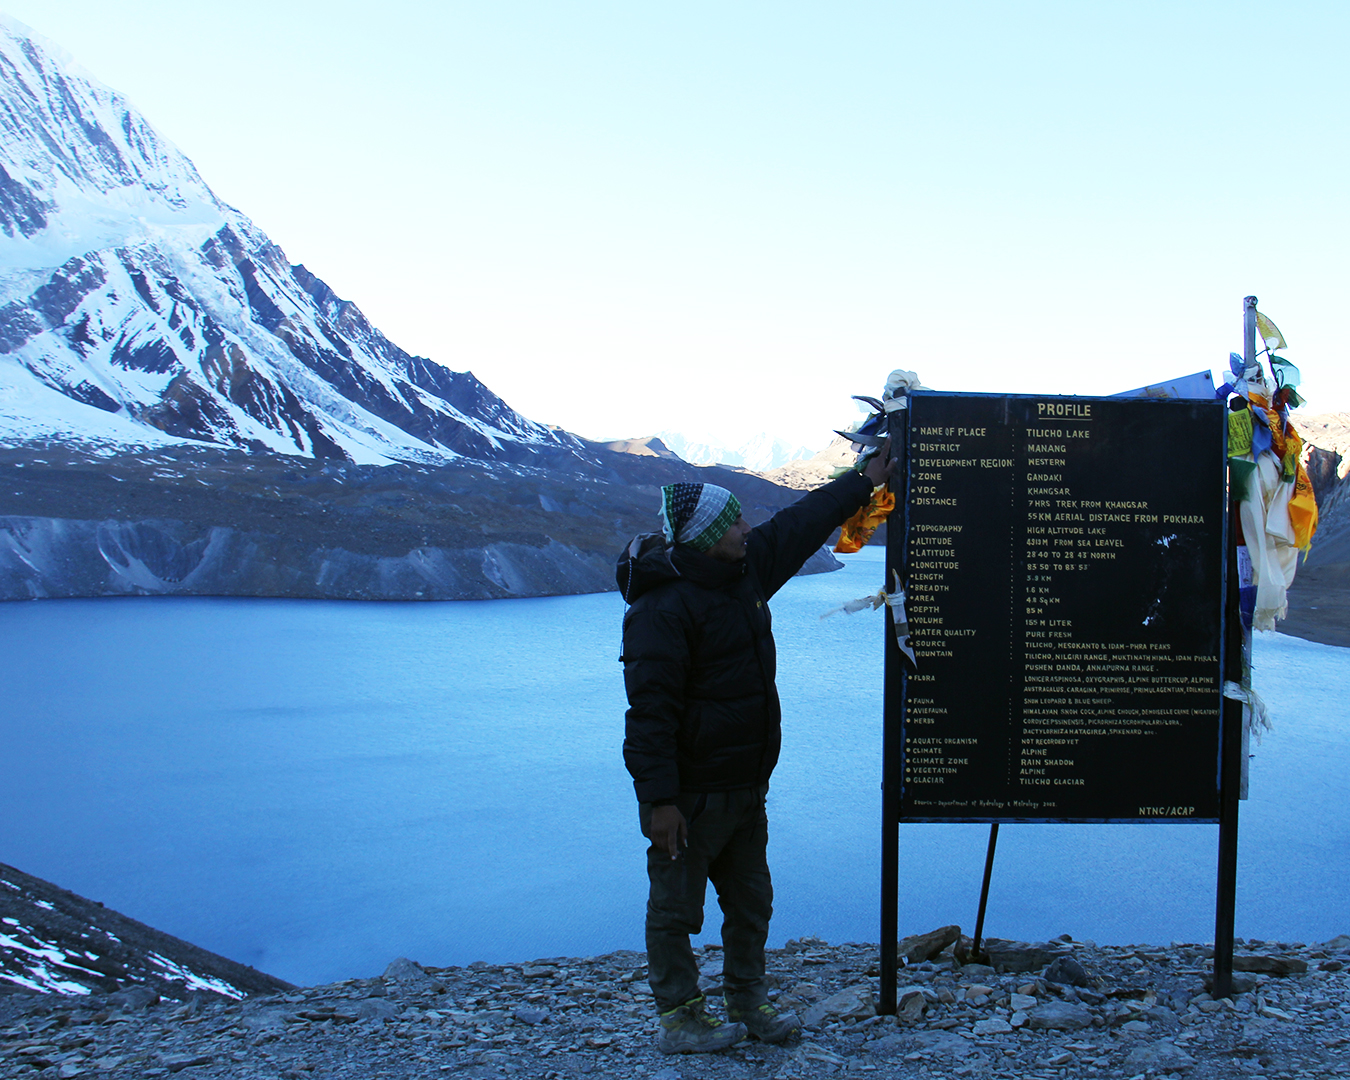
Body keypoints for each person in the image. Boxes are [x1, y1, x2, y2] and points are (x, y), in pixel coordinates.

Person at [617, 450, 892, 1054]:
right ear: (709, 536)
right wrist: (661, 801)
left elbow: (802, 522)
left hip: (745, 787)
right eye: (735, 522)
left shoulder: (743, 573)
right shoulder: (661, 610)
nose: (747, 528)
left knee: (751, 904)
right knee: (675, 910)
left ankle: (747, 1001)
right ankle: (681, 1020)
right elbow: (649, 716)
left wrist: (864, 480)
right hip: (689, 798)